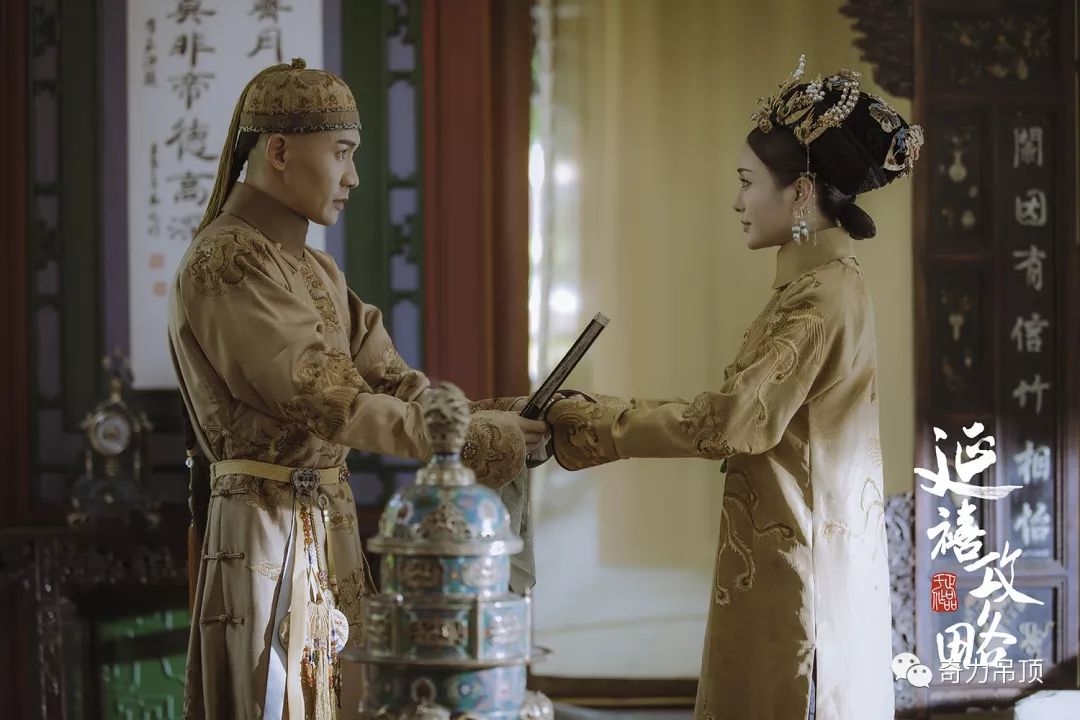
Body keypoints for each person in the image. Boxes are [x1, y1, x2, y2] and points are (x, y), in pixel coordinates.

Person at [543, 55, 923, 720]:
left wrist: (593, 423)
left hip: (801, 570)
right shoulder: (819, 284)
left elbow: (731, 423)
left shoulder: (819, 297)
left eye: (748, 183)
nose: (737, 201)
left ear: (801, 192)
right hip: (793, 553)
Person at [168, 58, 547, 720]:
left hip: (327, 526)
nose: (353, 178)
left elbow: (395, 382)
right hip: (267, 535)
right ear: (279, 151)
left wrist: (493, 416)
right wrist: (466, 437)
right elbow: (324, 395)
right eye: (341, 153)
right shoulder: (226, 257)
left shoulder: (315, 267)